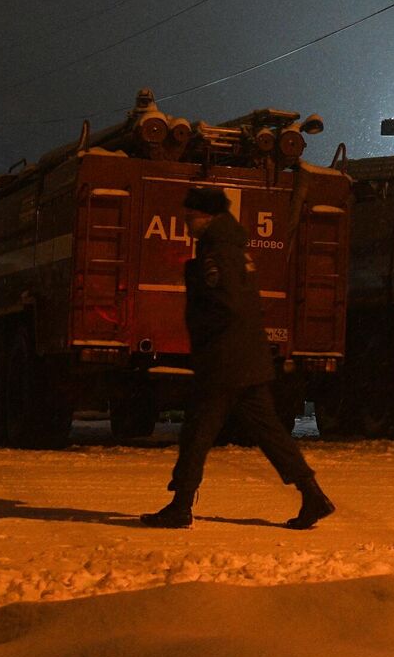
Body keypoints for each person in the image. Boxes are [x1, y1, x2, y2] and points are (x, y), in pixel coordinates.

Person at [141, 186, 335, 529]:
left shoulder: (217, 253)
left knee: (197, 433)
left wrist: (203, 337)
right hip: (246, 359)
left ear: (208, 217)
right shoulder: (232, 248)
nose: (187, 223)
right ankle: (313, 495)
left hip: (224, 361)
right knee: (270, 434)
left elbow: (225, 304)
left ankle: (181, 506)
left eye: (191, 217)